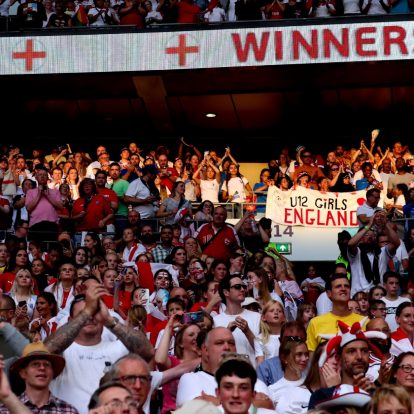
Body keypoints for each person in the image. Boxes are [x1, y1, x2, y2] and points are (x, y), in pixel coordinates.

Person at [45, 283, 154, 414]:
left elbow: (148, 352)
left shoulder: (119, 348)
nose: (90, 316)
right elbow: (46, 350)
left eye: (94, 312)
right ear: (70, 320)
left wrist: (108, 320)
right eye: (82, 313)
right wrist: (87, 312)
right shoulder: (62, 351)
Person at [176, 327, 272, 408]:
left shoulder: (253, 381)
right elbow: (195, 409)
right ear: (205, 350)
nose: (227, 347)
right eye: (219, 343)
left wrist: (217, 401)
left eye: (231, 343)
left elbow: (268, 406)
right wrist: (249, 402)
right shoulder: (191, 379)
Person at [6, 341, 78, 413]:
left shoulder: (69, 411)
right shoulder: (6, 411)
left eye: (46, 364)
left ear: (53, 373)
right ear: (23, 373)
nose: (42, 368)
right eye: (35, 364)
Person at [306, 273, 365, 353]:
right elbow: (312, 357)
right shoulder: (315, 323)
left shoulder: (364, 322)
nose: (343, 289)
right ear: (329, 293)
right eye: (338, 286)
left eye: (346, 286)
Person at [214, 274, 262, 367]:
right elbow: (214, 354)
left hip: (253, 372)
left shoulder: (257, 317)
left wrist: (247, 332)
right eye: (237, 287)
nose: (242, 289)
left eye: (244, 286)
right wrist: (227, 333)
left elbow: (264, 351)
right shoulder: (215, 321)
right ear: (226, 292)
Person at [268, 336, 309, 408]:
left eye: (306, 354)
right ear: (284, 358)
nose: (304, 358)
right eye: (299, 354)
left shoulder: (311, 383)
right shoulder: (272, 390)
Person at [25, 167, 63, 242]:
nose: (42, 176)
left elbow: (60, 206)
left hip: (51, 225)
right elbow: (28, 208)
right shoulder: (30, 192)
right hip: (35, 225)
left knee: (50, 247)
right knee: (35, 248)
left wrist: (47, 196)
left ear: (48, 178)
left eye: (44, 175)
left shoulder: (55, 191)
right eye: (40, 175)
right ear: (36, 178)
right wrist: (39, 194)